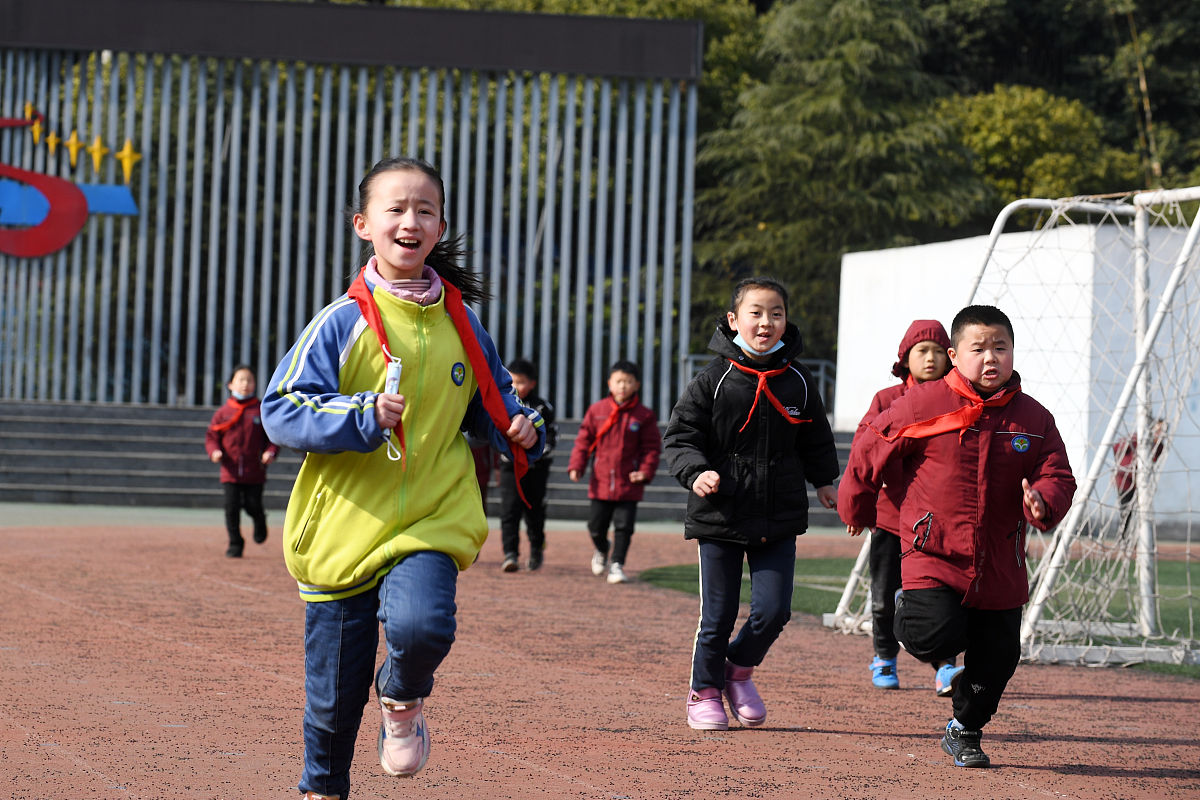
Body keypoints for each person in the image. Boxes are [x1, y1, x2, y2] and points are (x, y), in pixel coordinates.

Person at [261, 156, 545, 800]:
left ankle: (403, 694)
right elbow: (278, 409)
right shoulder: (341, 321)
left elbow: (498, 404)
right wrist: (360, 414)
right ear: (363, 224)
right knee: (333, 700)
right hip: (342, 529)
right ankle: (322, 787)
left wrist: (525, 428)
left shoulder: (464, 323)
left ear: (441, 227)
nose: (409, 222)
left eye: (424, 210)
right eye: (394, 209)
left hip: (430, 516)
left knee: (422, 628)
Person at [838, 304, 1076, 768]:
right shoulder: (922, 404)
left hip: (1001, 562)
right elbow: (869, 449)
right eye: (979, 349)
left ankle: (964, 729)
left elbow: (1058, 473)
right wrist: (858, 506)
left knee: (1000, 659)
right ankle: (910, 621)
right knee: (934, 633)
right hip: (933, 552)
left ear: (1012, 353)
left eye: (1000, 348)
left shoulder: (1033, 418)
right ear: (954, 354)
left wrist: (1043, 500)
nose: (991, 359)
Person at [663, 277, 839, 731]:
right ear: (733, 320)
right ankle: (703, 691)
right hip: (720, 512)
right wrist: (696, 471)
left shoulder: (799, 381)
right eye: (756, 312)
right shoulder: (712, 379)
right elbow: (680, 437)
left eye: (776, 313)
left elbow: (816, 437)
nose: (766, 322)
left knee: (774, 610)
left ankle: (737, 671)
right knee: (717, 615)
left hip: (778, 514)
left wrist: (826, 482)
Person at [851, 320, 960, 694]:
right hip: (890, 518)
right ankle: (884, 657)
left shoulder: (960, 400)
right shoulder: (886, 399)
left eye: (936, 351)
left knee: (941, 597)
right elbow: (864, 452)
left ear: (950, 358)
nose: (929, 358)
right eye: (921, 351)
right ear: (905, 359)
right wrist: (860, 507)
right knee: (883, 598)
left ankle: (946, 666)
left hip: (935, 524)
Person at [567, 359, 662, 584]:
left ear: (636, 385)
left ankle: (617, 564)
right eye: (619, 381)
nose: (623, 386)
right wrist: (576, 465)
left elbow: (651, 448)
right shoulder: (597, 411)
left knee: (624, 527)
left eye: (628, 382)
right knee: (595, 527)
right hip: (600, 481)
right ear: (610, 383)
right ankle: (602, 549)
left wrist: (645, 472)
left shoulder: (644, 416)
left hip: (628, 483)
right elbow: (583, 441)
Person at [205, 364, 279, 558]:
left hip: (255, 471)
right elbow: (211, 436)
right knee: (231, 508)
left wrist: (270, 452)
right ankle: (235, 543)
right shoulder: (223, 412)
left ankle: (260, 520)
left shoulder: (260, 410)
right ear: (230, 384)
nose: (245, 384)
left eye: (249, 380)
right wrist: (215, 452)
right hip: (229, 471)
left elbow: (272, 437)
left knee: (253, 505)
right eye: (241, 380)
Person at [498, 358, 558, 572]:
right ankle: (510, 554)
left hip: (536, 470)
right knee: (509, 511)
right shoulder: (503, 404)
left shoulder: (543, 407)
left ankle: (536, 549)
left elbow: (551, 437)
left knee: (534, 512)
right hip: (509, 468)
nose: (516, 387)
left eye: (521, 382)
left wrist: (535, 453)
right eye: (512, 381)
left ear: (532, 383)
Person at [1112, 418, 1167, 541]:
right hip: (1125, 481)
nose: (1161, 433)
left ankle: (1137, 538)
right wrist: (1119, 467)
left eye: (1163, 430)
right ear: (1152, 429)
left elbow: (1152, 462)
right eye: (1158, 429)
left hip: (1140, 484)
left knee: (1140, 511)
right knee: (1126, 510)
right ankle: (1123, 538)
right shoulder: (1136, 439)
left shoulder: (1159, 447)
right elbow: (1116, 447)